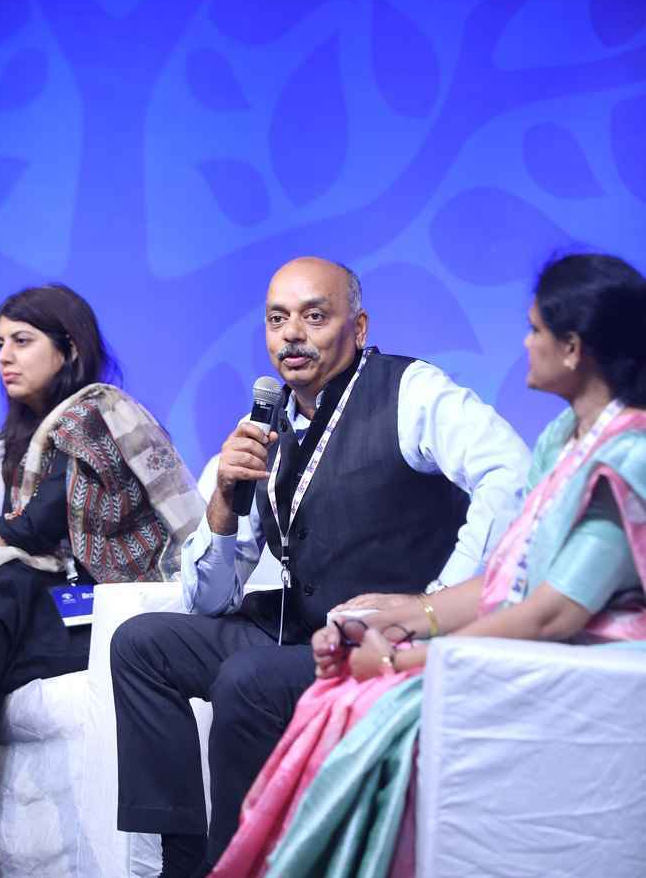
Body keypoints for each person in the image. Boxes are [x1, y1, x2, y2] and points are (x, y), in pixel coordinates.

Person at [210, 251, 646, 878]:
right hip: (511, 639)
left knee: (331, 696)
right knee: (313, 682)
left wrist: (402, 658)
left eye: (534, 330)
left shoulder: (626, 456)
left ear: (573, 349)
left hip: (573, 661)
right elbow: (507, 580)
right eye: (277, 319)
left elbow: (552, 614)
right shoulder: (562, 438)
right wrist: (401, 620)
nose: (524, 343)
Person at [110, 255, 530, 878]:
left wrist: (437, 602)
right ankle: (184, 861)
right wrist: (222, 501)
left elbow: (511, 471)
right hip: (294, 630)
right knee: (143, 644)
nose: (292, 335)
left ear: (358, 327)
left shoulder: (409, 390)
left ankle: (239, 867)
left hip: (379, 641)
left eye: (314, 316)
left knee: (247, 679)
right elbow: (207, 601)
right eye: (277, 319)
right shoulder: (262, 426)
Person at [0, 283, 204, 878]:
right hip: (60, 609)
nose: (4, 356)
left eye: (22, 340)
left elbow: (34, 530)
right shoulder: (34, 438)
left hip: (120, 612)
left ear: (69, 348)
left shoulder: (96, 414)